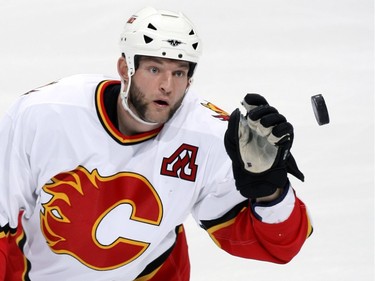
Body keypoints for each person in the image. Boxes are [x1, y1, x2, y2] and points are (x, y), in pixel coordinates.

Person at [0, 6, 312, 281]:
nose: (167, 85)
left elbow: (278, 245)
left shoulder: (212, 136)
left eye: (179, 73)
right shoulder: (43, 116)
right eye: (154, 69)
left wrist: (271, 191)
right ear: (125, 69)